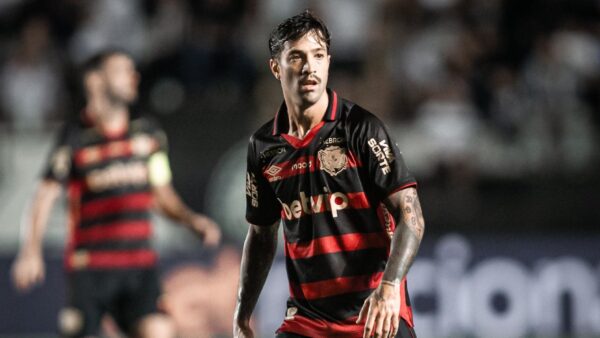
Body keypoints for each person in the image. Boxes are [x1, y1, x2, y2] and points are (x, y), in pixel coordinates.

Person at [233, 11, 425, 338]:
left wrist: (390, 287)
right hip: (307, 322)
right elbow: (262, 234)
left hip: (374, 314)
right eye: (297, 57)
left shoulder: (361, 128)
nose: (310, 67)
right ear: (276, 68)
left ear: (329, 62)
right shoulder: (263, 147)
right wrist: (243, 313)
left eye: (318, 55)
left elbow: (412, 217)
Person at [11, 50, 221, 338]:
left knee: (160, 331)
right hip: (91, 269)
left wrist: (190, 220)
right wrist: (30, 250)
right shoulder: (74, 138)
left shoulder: (149, 136)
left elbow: (161, 194)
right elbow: (44, 195)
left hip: (140, 266)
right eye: (123, 70)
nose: (134, 76)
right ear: (95, 81)